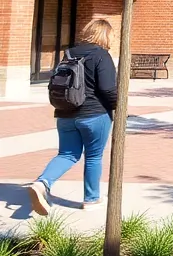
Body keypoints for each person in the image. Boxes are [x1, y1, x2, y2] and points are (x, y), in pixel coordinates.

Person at [26, 19, 118, 215]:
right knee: (93, 156)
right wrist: (119, 106)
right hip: (94, 114)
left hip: (65, 114)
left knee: (67, 154)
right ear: (105, 35)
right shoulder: (102, 56)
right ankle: (91, 199)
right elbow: (108, 89)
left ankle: (42, 183)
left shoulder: (68, 54)